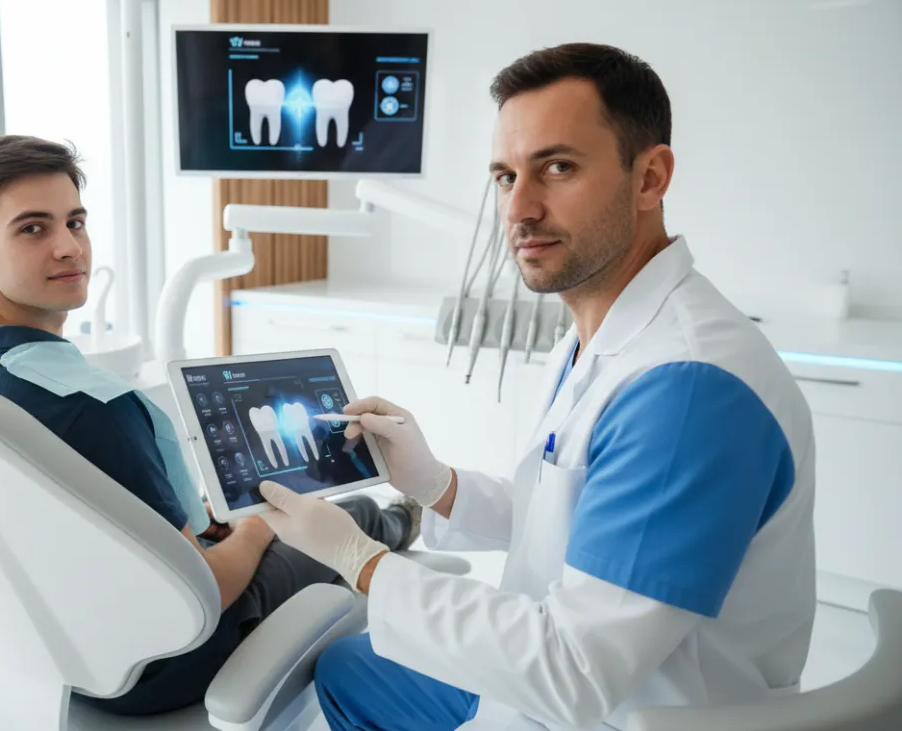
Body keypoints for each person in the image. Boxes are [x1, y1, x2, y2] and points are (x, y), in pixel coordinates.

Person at [255, 43, 817, 730]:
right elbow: (573, 520)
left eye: (557, 168)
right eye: (504, 176)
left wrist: (360, 559)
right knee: (351, 666)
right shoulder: (597, 338)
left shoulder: (689, 392)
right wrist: (436, 484)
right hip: (557, 681)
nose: (519, 208)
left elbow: (574, 672)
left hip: (619, 712)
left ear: (649, 178)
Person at [0, 135, 422, 715]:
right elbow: (206, 593)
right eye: (33, 228)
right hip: (163, 666)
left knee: (225, 516)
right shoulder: (97, 408)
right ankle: (399, 520)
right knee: (347, 514)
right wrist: (257, 528)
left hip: (46, 652)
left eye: (76, 222)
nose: (70, 247)